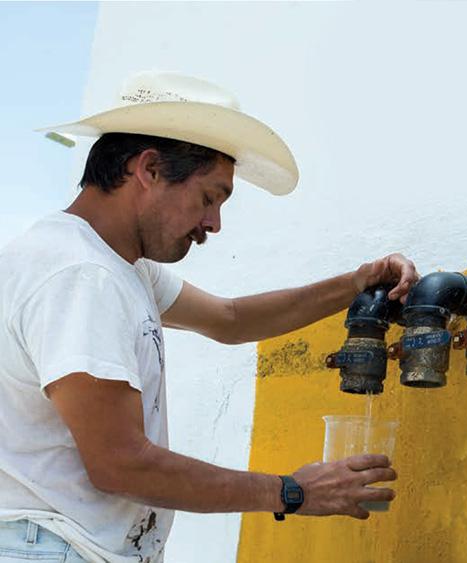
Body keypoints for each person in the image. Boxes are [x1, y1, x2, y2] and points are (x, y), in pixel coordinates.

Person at [0, 72, 419, 563]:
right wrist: (292, 492)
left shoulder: (116, 266)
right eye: (209, 197)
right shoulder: (81, 275)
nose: (214, 224)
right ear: (149, 169)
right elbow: (120, 465)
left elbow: (230, 318)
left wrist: (356, 283)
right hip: (56, 549)